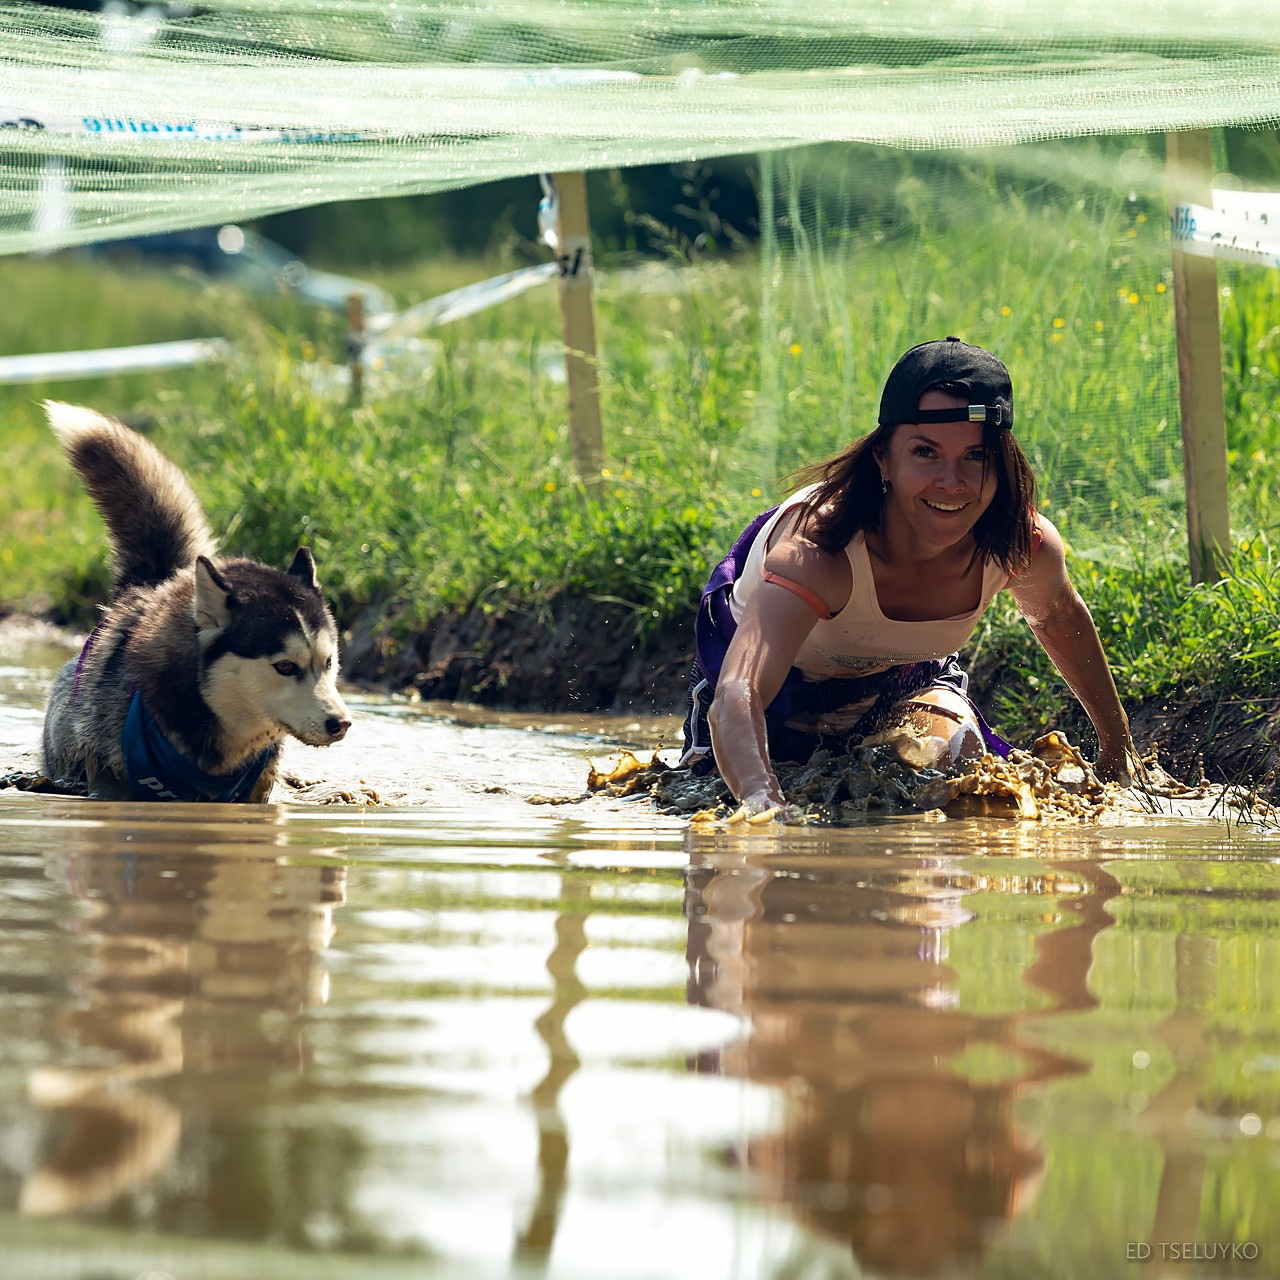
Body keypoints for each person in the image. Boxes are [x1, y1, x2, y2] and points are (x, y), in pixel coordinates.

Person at [680, 336, 1136, 817]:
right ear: (884, 459)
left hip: (900, 685)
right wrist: (763, 808)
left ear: (1003, 466)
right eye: (925, 452)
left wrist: (1118, 751)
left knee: (965, 782)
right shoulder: (821, 549)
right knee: (738, 813)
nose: (951, 482)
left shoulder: (1022, 544)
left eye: (976, 457)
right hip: (775, 698)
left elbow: (1058, 619)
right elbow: (737, 693)